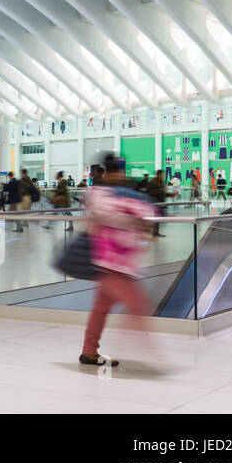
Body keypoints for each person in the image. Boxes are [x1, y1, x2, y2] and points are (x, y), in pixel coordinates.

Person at [80, 158, 157, 368]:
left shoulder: (122, 194)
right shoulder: (100, 194)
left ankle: (89, 351)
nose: (119, 176)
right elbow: (108, 214)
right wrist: (130, 217)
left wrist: (131, 215)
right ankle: (151, 354)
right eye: (115, 172)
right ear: (106, 173)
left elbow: (148, 212)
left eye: (120, 172)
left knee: (101, 308)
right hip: (109, 262)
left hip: (120, 262)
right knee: (137, 305)